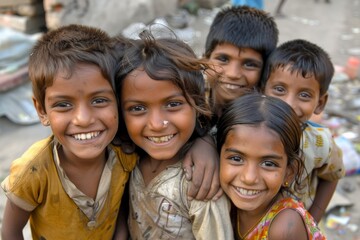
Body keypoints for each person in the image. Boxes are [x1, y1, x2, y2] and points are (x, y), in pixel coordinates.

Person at [0, 24, 220, 240]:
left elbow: (121, 210)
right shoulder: (33, 171)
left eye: (99, 100)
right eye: (64, 105)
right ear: (41, 110)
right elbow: (10, 231)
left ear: (116, 101)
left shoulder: (124, 154)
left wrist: (207, 142)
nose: (83, 119)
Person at [116, 30, 233, 239]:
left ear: (197, 104)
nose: (157, 124)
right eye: (137, 108)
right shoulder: (129, 159)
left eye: (173, 104)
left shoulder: (200, 183)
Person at [217, 92, 326, 239]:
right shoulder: (222, 203)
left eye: (268, 163)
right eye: (236, 158)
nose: (249, 178)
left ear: (289, 172)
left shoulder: (284, 227)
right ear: (217, 158)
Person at [259, 39, 345, 223]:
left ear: (320, 103)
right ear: (262, 89)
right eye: (279, 89)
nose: (289, 104)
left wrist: (312, 220)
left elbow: (333, 175)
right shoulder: (244, 133)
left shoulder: (321, 143)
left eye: (304, 95)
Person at [203, 5, 279, 119]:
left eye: (249, 64)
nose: (233, 74)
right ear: (205, 59)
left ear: (265, 70)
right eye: (223, 59)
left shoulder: (268, 117)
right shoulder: (188, 100)